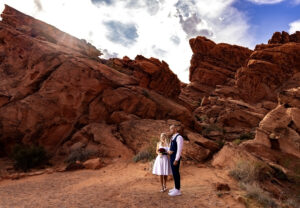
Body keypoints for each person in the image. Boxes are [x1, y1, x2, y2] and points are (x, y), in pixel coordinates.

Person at [167, 124, 184, 196]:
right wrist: (168, 151)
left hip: (175, 157)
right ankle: (176, 187)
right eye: (170, 129)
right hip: (172, 156)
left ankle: (178, 190)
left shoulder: (179, 137)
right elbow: (171, 147)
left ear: (175, 129)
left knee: (176, 173)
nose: (170, 130)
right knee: (174, 173)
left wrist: (176, 160)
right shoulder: (173, 137)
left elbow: (179, 150)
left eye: (172, 129)